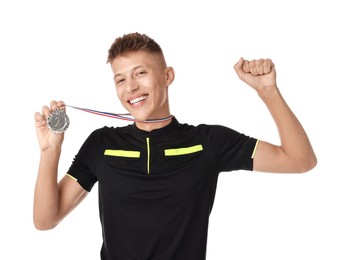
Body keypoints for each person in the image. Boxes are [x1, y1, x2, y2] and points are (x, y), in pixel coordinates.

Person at [33, 32, 317, 260]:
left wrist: (268, 91)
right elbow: (46, 219)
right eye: (120, 79)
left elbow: (299, 160)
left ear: (167, 76)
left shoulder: (208, 143)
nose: (130, 87)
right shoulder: (101, 144)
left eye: (140, 73)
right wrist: (50, 151)